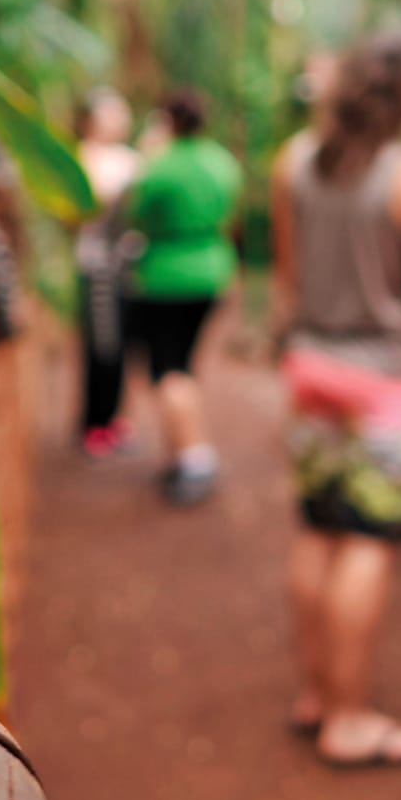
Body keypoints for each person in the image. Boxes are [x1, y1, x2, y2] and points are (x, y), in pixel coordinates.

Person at [271, 32, 401, 766]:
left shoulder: (295, 161)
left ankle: (316, 694)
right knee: (367, 541)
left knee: (318, 529)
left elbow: (290, 279)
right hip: (389, 384)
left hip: (312, 369)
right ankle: (349, 719)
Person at [122, 89, 243, 504]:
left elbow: (139, 216)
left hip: (165, 276)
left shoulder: (160, 166)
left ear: (168, 120)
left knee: (168, 370)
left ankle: (195, 459)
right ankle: (179, 454)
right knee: (184, 366)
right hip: (213, 269)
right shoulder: (222, 161)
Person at [75, 88, 144, 457]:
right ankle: (94, 423)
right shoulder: (82, 156)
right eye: (111, 112)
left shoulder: (131, 157)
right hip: (98, 266)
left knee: (122, 346)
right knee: (101, 346)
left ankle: (113, 418)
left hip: (129, 266)